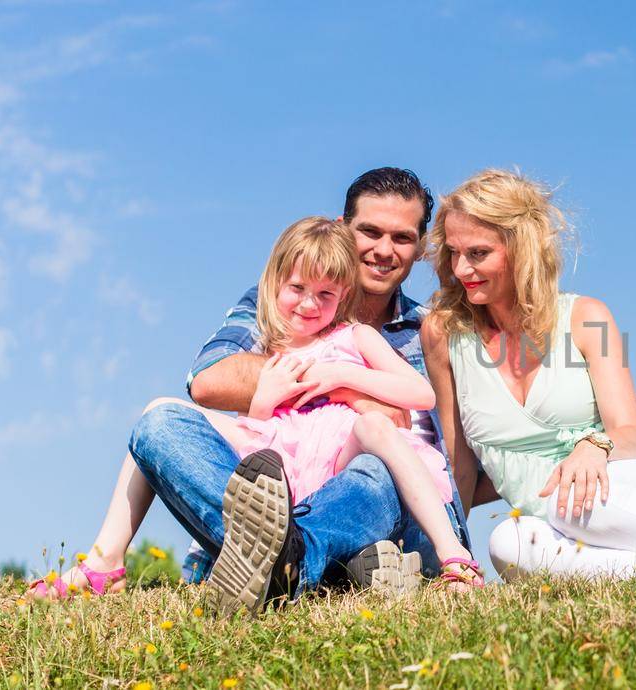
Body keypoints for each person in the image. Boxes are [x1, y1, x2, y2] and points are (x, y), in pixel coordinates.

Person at [29, 218, 483, 609]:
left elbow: (419, 393)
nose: (309, 304)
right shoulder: (270, 346)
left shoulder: (356, 337)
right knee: (157, 414)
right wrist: (267, 392)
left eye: (325, 294)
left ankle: (453, 558)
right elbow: (261, 429)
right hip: (288, 475)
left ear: (344, 293)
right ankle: (105, 562)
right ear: (275, 283)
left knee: (374, 427)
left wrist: (341, 379)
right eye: (297, 289)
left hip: (343, 467)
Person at [126, 168, 470, 606]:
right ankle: (298, 562)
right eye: (370, 231)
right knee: (162, 423)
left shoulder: (431, 329)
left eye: (401, 238)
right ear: (343, 230)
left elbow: (447, 421)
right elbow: (209, 381)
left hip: (387, 502)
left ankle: (285, 558)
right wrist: (344, 390)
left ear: (420, 246)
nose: (384, 250)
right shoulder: (276, 302)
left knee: (381, 465)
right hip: (296, 482)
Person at [424, 169, 636, 582]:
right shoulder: (444, 333)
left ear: (521, 249)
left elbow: (630, 434)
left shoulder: (586, 317)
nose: (461, 269)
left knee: (570, 500)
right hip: (558, 514)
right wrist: (452, 557)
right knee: (509, 543)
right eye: (454, 253)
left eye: (477, 254)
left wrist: (593, 445)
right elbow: (458, 465)